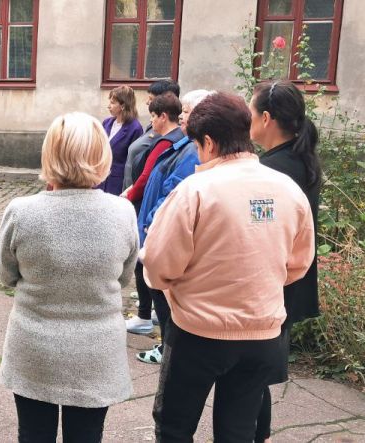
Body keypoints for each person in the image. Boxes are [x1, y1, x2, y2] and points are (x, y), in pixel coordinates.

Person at [141, 92, 315, 442]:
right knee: (238, 430)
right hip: (263, 335)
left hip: (199, 332)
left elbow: (159, 266)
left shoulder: (196, 190)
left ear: (207, 141)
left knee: (175, 425)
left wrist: (173, 285)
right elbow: (298, 264)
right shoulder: (288, 189)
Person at [0, 112, 138, 443]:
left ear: (50, 154)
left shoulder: (21, 211)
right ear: (102, 156)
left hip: (34, 347)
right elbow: (125, 277)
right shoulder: (122, 212)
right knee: (87, 437)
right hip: (97, 352)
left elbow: (5, 274)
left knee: (33, 435)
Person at [249, 80, 322, 443]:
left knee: (250, 374)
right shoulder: (298, 157)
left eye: (251, 112)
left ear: (265, 118)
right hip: (290, 278)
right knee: (256, 373)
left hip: (274, 283)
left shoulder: (275, 169)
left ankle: (253, 434)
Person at [132, 90, 212, 363]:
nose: (182, 117)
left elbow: (174, 191)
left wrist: (153, 223)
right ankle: (168, 346)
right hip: (154, 228)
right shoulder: (184, 144)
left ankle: (168, 349)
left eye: (187, 112)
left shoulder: (191, 150)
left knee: (165, 298)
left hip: (159, 230)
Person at [122, 93, 184, 338]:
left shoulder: (166, 143)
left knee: (142, 262)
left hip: (149, 212)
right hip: (148, 207)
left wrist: (130, 194)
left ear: (163, 117)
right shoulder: (176, 140)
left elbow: (148, 176)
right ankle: (151, 314)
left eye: (154, 116)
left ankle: (145, 316)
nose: (152, 122)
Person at [98, 86, 143, 195]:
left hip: (117, 182)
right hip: (100, 178)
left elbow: (134, 160)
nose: (109, 106)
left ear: (123, 105)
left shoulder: (135, 128)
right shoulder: (107, 123)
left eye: (113, 103)